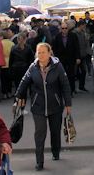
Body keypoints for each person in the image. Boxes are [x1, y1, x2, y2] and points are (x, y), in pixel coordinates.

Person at [15, 42, 72, 172]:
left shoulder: (58, 66)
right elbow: (24, 82)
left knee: (55, 131)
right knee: (40, 133)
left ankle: (55, 152)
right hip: (38, 106)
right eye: (38, 52)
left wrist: (68, 104)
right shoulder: (33, 67)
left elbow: (65, 85)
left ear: (49, 53)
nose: (40, 55)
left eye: (43, 52)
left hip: (55, 105)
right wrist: (17, 97)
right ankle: (39, 162)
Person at [52, 21, 81, 95]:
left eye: (66, 28)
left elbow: (77, 47)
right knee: (62, 75)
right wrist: (55, 58)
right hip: (61, 59)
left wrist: (78, 57)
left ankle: (71, 90)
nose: (64, 30)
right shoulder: (57, 37)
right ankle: (62, 91)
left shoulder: (73, 36)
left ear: (68, 29)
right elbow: (54, 48)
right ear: (61, 29)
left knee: (71, 75)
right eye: (63, 28)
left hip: (71, 58)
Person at [74, 21, 90, 92]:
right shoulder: (74, 33)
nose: (84, 27)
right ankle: (73, 88)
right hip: (76, 55)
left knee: (83, 71)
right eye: (84, 26)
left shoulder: (83, 33)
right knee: (75, 72)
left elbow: (86, 43)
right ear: (80, 25)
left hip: (83, 55)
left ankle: (81, 86)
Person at [0, 30, 14, 99]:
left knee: (3, 79)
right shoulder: (11, 43)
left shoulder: (1, 43)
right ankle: (9, 92)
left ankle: (4, 93)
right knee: (9, 79)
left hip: (3, 63)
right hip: (10, 62)